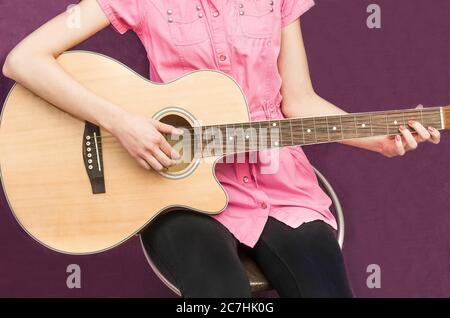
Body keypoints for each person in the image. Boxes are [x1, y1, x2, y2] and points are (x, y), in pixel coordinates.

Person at [2, 0, 440, 298]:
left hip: (279, 187)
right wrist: (119, 120)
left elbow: (299, 101)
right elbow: (23, 60)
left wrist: (375, 140)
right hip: (176, 189)